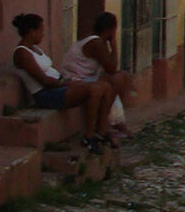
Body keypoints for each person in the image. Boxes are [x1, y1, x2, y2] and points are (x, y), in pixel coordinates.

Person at [10, 14, 115, 155]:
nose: (43, 34)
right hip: (47, 94)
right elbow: (44, 81)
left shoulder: (35, 49)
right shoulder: (22, 53)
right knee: (94, 90)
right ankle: (89, 136)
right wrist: (68, 82)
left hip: (59, 85)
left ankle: (101, 131)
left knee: (106, 87)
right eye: (41, 30)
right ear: (31, 31)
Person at [59, 13, 134, 139]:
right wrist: (114, 44)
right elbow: (111, 68)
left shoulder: (97, 41)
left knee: (120, 78)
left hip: (84, 77)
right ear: (110, 29)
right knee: (118, 78)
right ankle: (103, 124)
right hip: (76, 79)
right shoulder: (96, 43)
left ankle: (111, 123)